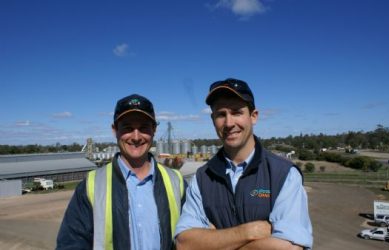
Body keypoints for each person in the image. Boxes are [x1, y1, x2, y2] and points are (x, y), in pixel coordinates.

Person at [175, 78, 313, 249]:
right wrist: (249, 232)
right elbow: (184, 244)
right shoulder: (202, 178)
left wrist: (214, 241)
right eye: (221, 114)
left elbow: (291, 247)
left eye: (237, 112)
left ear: (253, 116)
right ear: (213, 119)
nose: (229, 123)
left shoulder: (283, 174)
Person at [57, 94, 186, 250]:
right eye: (128, 128)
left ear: (154, 129)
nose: (136, 137)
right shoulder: (92, 186)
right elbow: (71, 244)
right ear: (115, 130)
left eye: (144, 127)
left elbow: (194, 237)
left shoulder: (176, 182)